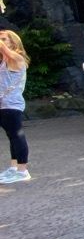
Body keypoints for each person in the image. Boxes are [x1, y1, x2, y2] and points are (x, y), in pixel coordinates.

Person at [0, 29, 31, 183]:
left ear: (13, 42)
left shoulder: (17, 58)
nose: (2, 42)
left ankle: (22, 170)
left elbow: (5, 50)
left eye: (4, 39)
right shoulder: (4, 61)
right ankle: (14, 168)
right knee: (12, 137)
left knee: (17, 136)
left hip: (12, 105)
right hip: (3, 105)